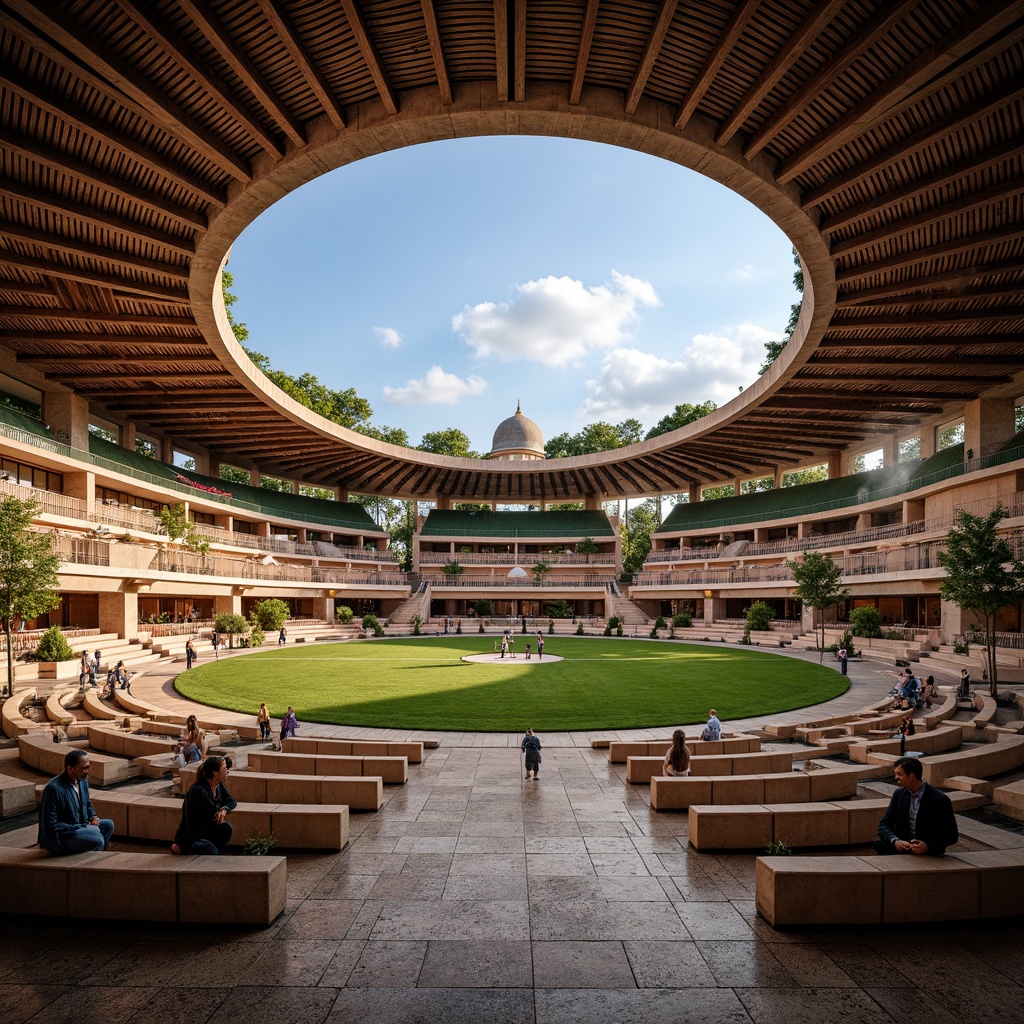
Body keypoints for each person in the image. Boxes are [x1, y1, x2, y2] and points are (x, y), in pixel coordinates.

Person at [873, 756, 958, 857]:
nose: (896, 777)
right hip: (905, 845)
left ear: (912, 776)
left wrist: (927, 845)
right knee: (878, 844)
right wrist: (896, 841)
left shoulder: (940, 799)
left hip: (928, 849)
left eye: (899, 774)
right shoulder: (899, 794)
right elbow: (883, 825)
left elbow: (951, 836)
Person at [37, 749, 114, 855]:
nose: (88, 771)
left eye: (88, 767)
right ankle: (95, 862)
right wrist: (81, 827)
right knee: (98, 839)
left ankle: (100, 854)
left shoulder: (82, 781)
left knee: (108, 825)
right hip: (63, 836)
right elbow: (50, 826)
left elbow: (87, 804)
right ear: (70, 768)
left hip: (80, 827)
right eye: (84, 768)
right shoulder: (53, 789)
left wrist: (93, 817)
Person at [171, 755, 236, 855]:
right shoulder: (198, 791)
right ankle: (182, 847)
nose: (227, 770)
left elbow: (231, 802)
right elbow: (192, 826)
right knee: (212, 851)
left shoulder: (218, 785)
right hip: (193, 836)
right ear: (215, 772)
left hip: (208, 829)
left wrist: (224, 810)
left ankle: (213, 848)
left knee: (227, 828)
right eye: (224, 768)